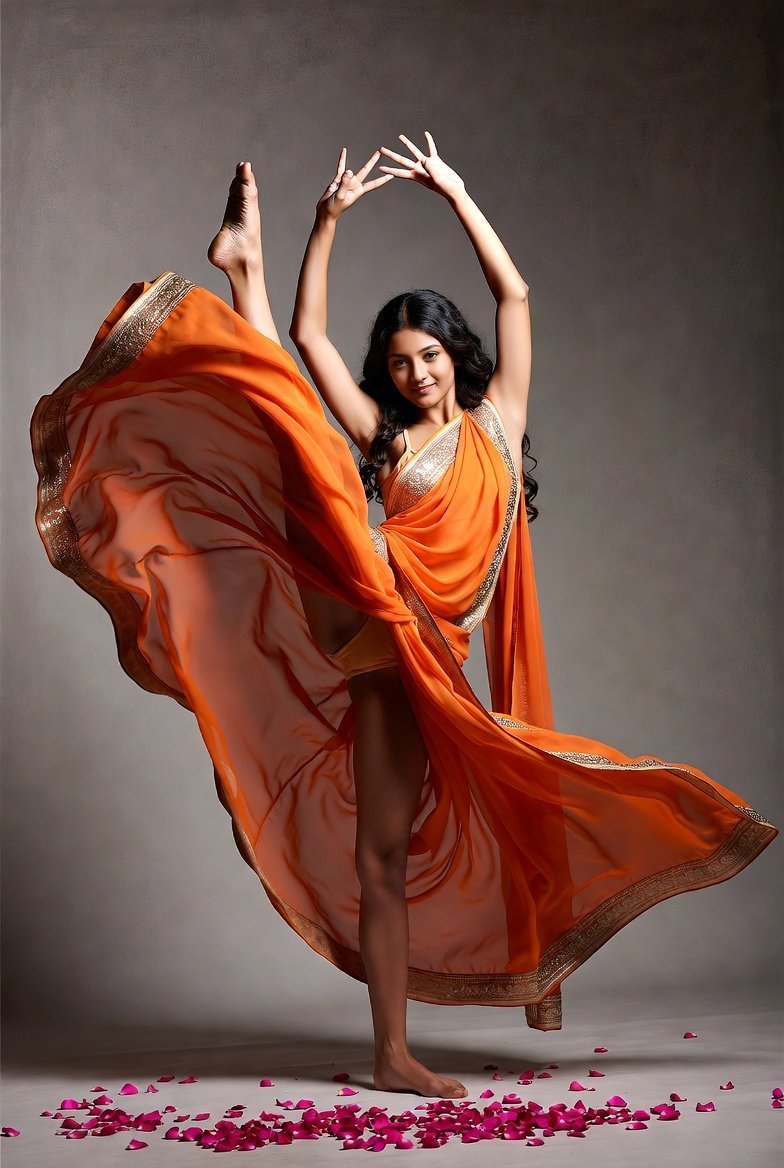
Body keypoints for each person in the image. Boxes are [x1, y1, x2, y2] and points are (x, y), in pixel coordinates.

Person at [30, 133, 777, 1101]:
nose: (417, 372)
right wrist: (325, 224)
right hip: (369, 604)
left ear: (453, 356)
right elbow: (310, 337)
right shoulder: (385, 440)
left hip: (412, 659)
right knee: (302, 436)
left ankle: (392, 1051)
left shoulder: (497, 423)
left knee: (381, 857)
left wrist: (458, 194)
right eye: (398, 362)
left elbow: (514, 295)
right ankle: (245, 269)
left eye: (428, 355)